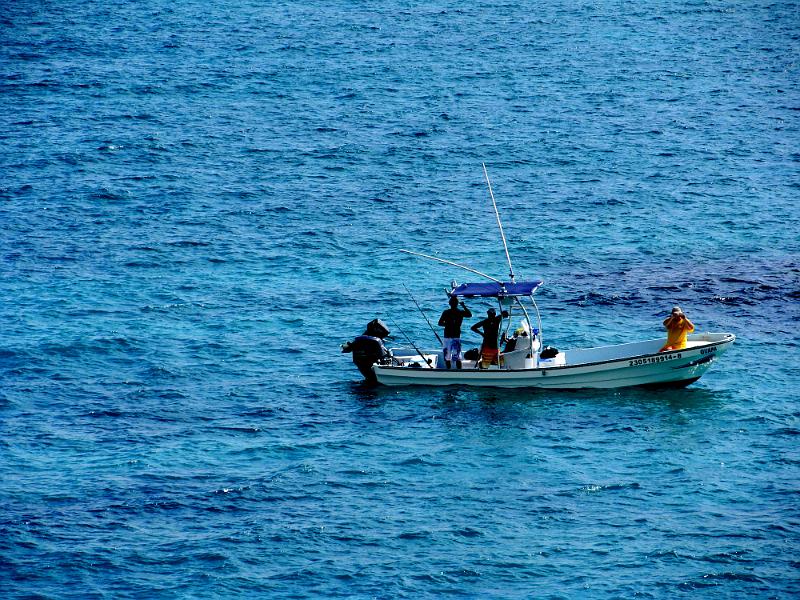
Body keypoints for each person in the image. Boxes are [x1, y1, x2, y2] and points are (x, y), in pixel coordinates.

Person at [342, 319, 392, 383]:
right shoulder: (376, 341)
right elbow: (383, 356)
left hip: (362, 364)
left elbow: (347, 349)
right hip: (370, 364)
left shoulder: (360, 339)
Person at [438, 296, 472, 369]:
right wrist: (463, 305)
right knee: (457, 357)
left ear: (449, 303)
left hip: (448, 336)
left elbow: (440, 323)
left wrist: (447, 324)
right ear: (457, 304)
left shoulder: (447, 312)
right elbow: (469, 314)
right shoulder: (460, 312)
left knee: (448, 357)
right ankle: (458, 371)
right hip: (455, 336)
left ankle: (449, 370)